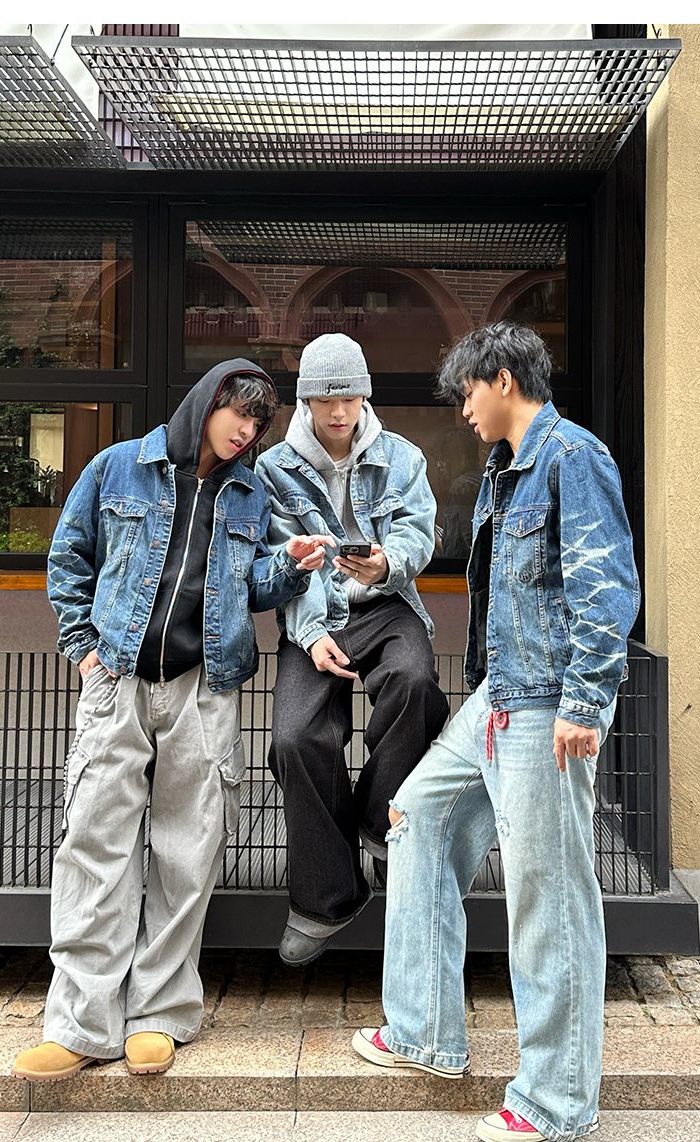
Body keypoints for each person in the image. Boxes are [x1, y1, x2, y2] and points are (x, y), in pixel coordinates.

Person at [351, 322, 640, 1142]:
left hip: (549, 704)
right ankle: (424, 1031)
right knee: (415, 818)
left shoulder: (572, 458)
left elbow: (606, 586)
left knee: (549, 900)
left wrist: (585, 702)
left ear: (504, 379)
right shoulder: (504, 468)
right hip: (499, 696)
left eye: (468, 392)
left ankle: (555, 1103)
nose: (463, 409)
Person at [11, 360, 330, 1082]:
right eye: (238, 413)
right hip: (119, 680)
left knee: (189, 851)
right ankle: (81, 1023)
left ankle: (158, 1013)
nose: (247, 431)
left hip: (204, 688)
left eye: (258, 423)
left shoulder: (251, 491)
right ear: (206, 404)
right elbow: (69, 557)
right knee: (95, 844)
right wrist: (83, 650)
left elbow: (250, 587)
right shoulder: (119, 466)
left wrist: (290, 564)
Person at [255, 332, 449, 966]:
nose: (339, 411)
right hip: (313, 613)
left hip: (386, 604)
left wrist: (389, 563)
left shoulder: (402, 457)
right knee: (295, 737)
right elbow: (283, 560)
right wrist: (312, 635)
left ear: (365, 395)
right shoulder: (273, 470)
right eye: (325, 399)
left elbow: (419, 530)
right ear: (306, 402)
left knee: (415, 682)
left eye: (349, 397)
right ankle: (327, 896)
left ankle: (377, 822)